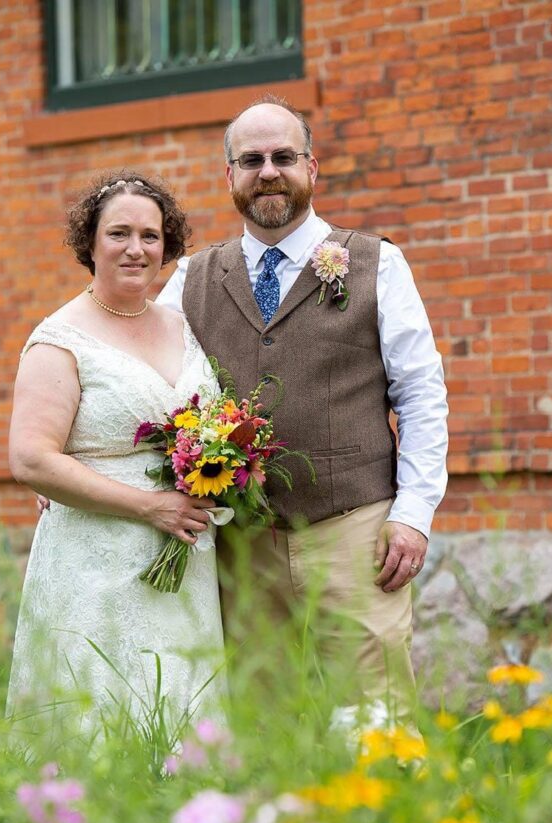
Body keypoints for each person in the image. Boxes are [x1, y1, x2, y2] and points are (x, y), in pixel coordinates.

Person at [157, 97, 449, 709]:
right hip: (242, 541)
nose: (268, 171)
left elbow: (421, 394)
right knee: (265, 722)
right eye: (252, 159)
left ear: (312, 169)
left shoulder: (377, 263)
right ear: (229, 176)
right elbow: (145, 384)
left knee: (375, 712)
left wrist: (414, 513)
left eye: (284, 157)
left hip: (355, 529)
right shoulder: (191, 278)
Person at [7, 173, 225, 730]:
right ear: (91, 243)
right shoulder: (60, 339)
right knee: (99, 715)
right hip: (93, 562)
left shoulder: (181, 326)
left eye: (150, 236)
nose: (136, 249)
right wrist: (150, 506)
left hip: (185, 559)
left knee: (181, 707)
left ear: (167, 245)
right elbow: (31, 458)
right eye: (119, 234)